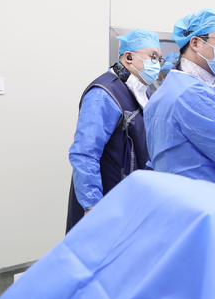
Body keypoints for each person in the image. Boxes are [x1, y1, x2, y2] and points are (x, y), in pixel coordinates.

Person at [144, 7, 215, 189]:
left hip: (173, 194)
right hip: (203, 197)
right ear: (195, 43)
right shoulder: (193, 95)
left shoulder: (167, 91)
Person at [66, 29, 162, 232]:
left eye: (159, 59)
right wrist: (92, 205)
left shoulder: (141, 92)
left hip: (130, 199)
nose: (157, 64)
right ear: (128, 57)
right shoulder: (104, 94)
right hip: (106, 201)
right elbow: (85, 153)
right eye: (153, 57)